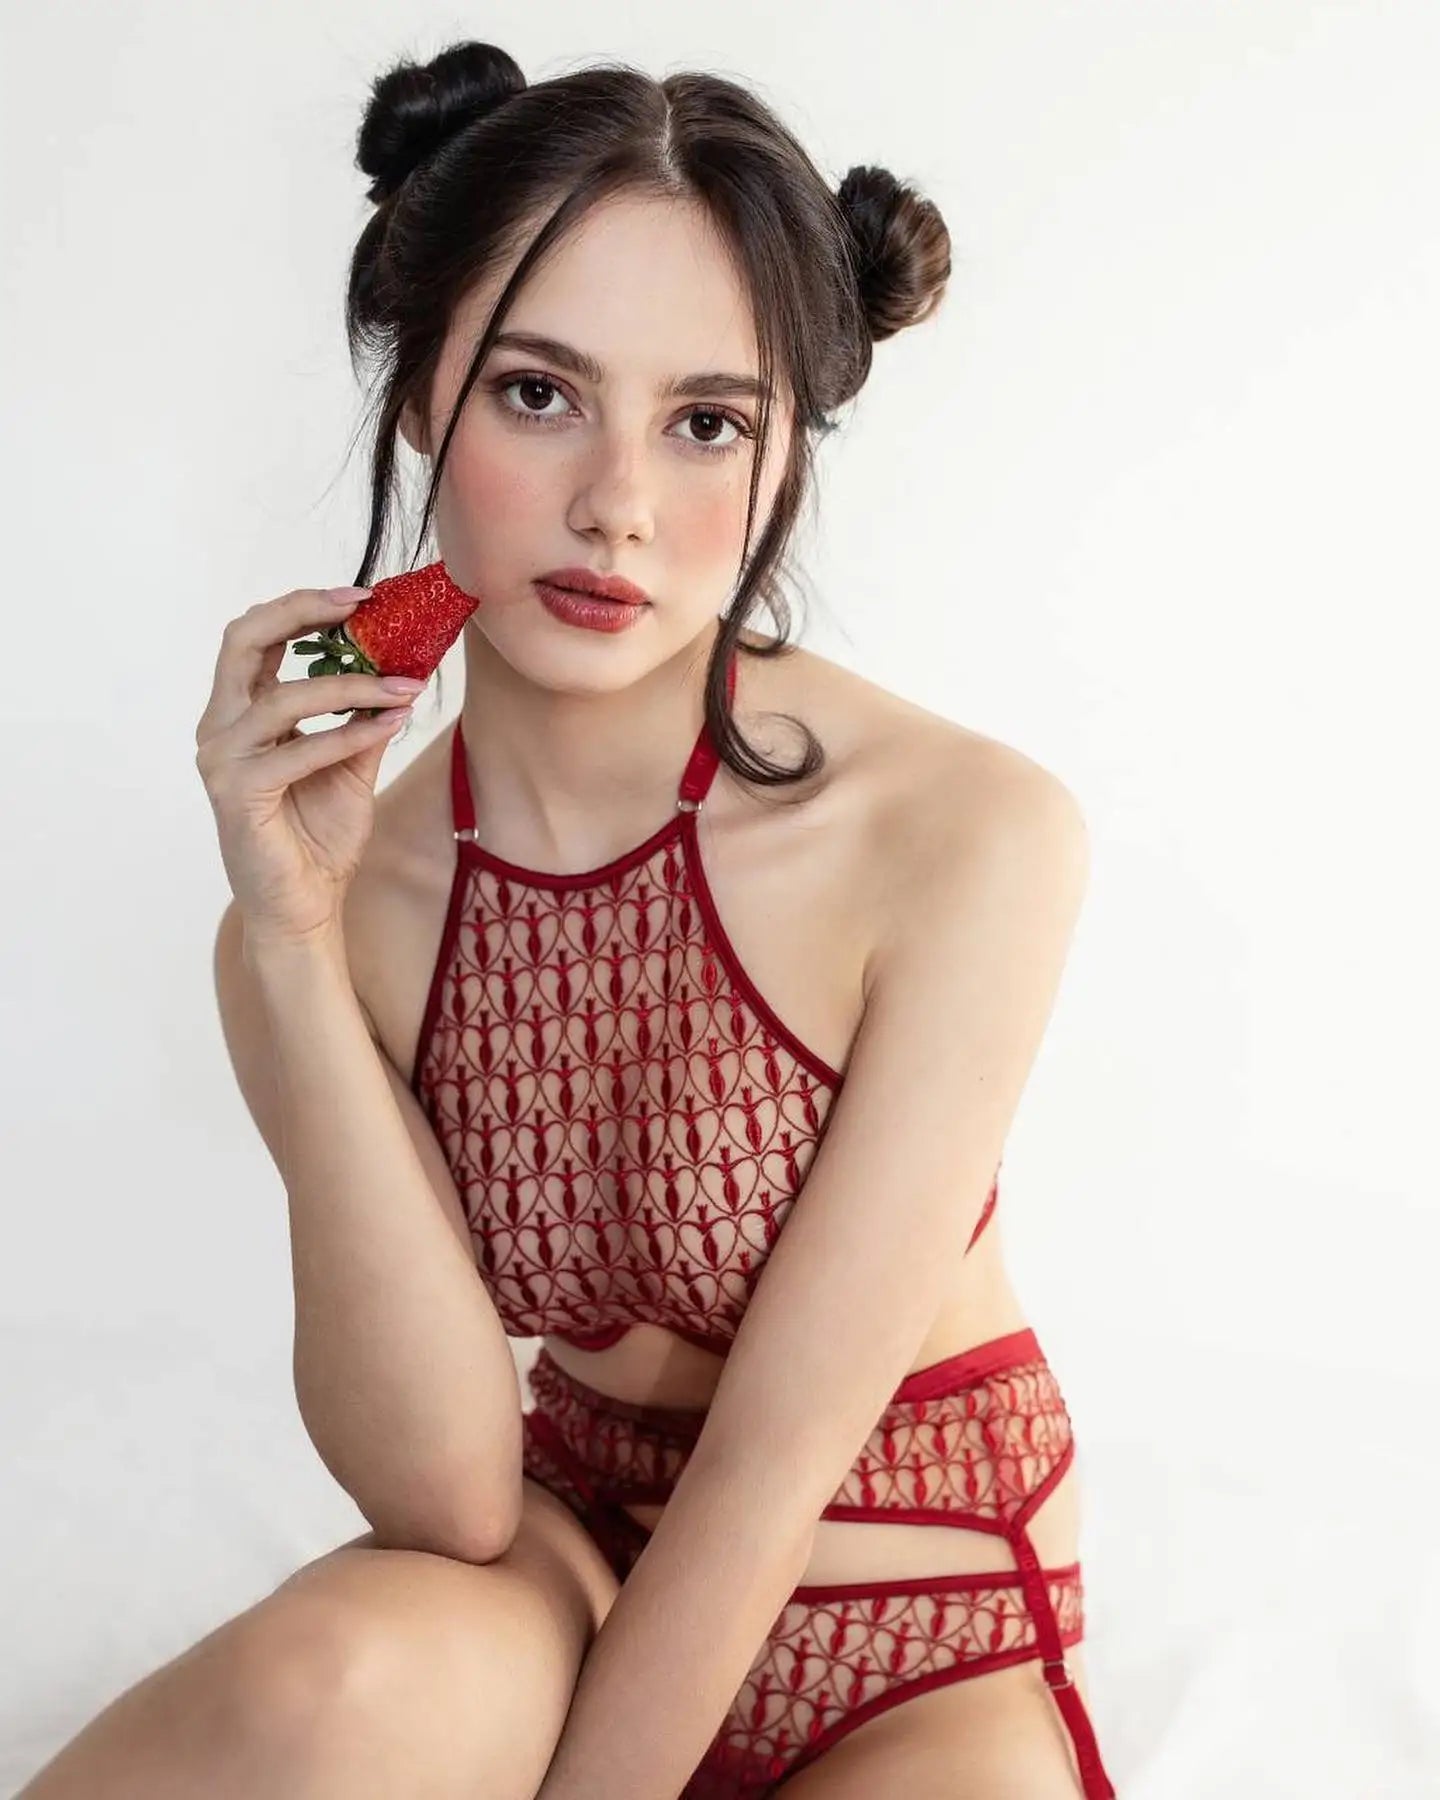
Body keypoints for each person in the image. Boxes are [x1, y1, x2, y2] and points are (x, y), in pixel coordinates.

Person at [19, 42, 1117, 1800]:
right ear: (419, 392)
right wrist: (289, 945)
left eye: (707, 422)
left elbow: (768, 1474)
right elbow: (449, 1493)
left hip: (915, 1622)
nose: (618, 503)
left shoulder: (965, 836)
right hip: (569, 1557)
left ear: (786, 452)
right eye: (539, 394)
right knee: (326, 1682)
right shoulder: (346, 911)